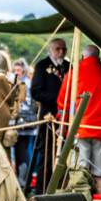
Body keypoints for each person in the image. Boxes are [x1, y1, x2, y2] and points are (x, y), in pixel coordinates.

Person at [55, 44, 101, 201]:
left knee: (79, 173)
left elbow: (61, 104)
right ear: (98, 58)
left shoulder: (73, 74)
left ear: (83, 57)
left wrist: (62, 129)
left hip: (80, 130)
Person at [29, 38, 70, 189]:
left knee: (65, 156)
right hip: (49, 117)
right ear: (51, 49)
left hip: (66, 117)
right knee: (47, 155)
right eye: (58, 49)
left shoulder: (68, 66)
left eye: (64, 49)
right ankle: (42, 190)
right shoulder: (42, 66)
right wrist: (58, 100)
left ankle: (61, 187)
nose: (61, 52)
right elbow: (35, 92)